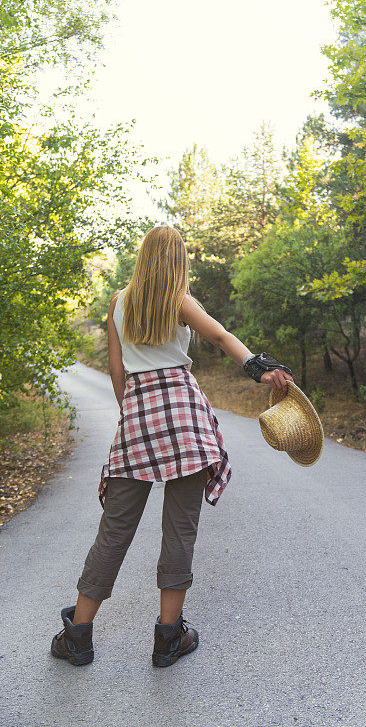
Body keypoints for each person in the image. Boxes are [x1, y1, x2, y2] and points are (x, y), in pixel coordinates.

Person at [50, 225, 294, 667]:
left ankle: (79, 636)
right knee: (180, 529)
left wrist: (135, 416)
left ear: (143, 257)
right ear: (178, 260)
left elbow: (118, 373)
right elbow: (220, 337)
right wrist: (258, 368)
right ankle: (168, 638)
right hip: (184, 416)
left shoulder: (118, 304)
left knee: (115, 531)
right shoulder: (180, 301)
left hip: (139, 416)